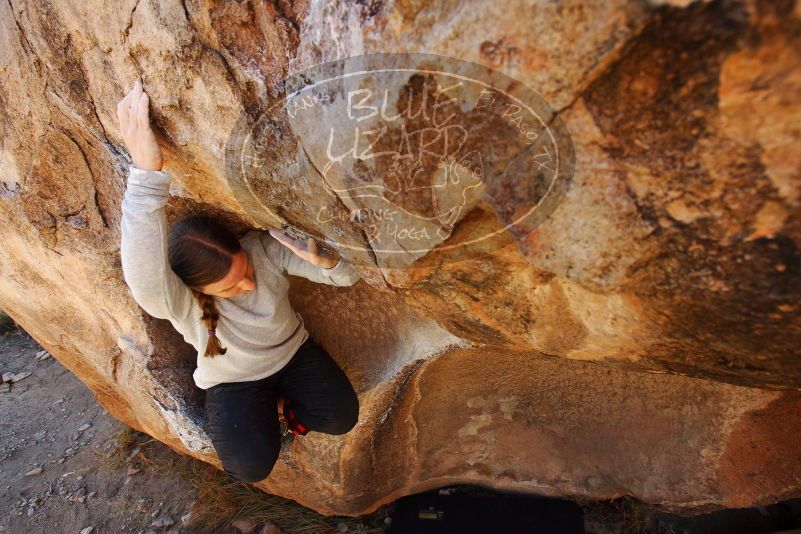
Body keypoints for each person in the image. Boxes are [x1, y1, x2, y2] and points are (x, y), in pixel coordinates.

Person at [116, 78, 360, 483]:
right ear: (198, 289)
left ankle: (285, 411)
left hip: (293, 354)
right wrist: (145, 172)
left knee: (340, 417)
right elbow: (142, 276)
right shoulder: (182, 301)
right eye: (231, 286)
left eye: (244, 271)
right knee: (249, 468)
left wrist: (322, 258)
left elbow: (347, 277)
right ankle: (261, 414)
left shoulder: (263, 249)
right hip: (234, 381)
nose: (248, 285)